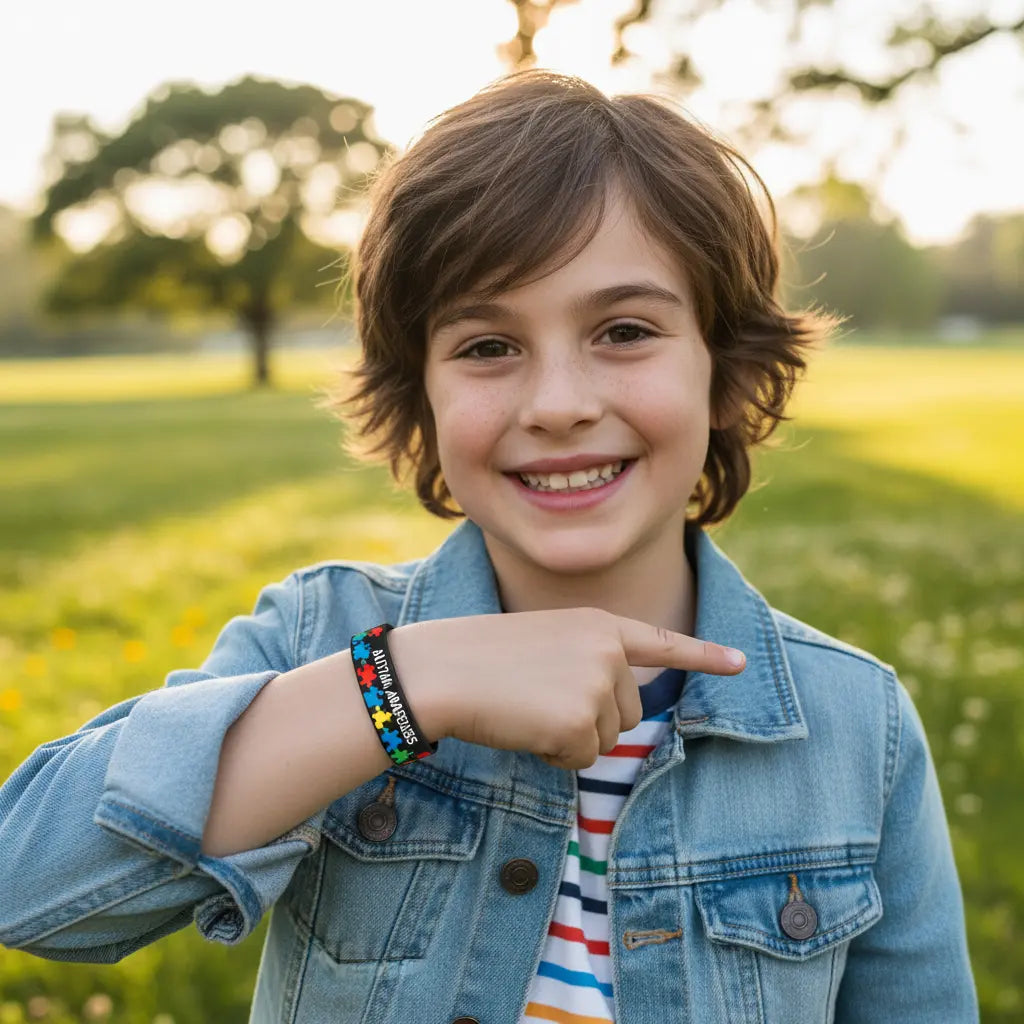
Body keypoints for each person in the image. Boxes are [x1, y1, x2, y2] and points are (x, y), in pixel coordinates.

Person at [0, 70, 976, 1023]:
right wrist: (404, 687)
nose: (557, 403)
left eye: (625, 330)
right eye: (487, 346)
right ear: (418, 393)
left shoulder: (857, 728)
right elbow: (29, 882)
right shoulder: (323, 638)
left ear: (723, 371)